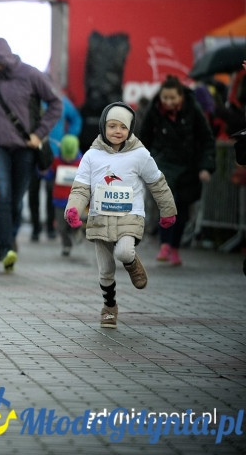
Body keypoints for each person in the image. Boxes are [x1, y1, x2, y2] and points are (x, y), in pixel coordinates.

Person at [65, 102, 178, 329]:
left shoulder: (140, 154)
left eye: (123, 127)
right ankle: (109, 307)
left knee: (124, 251)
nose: (118, 131)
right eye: (112, 126)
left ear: (131, 129)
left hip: (130, 216)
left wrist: (168, 210)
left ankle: (132, 261)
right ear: (103, 127)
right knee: (105, 269)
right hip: (99, 218)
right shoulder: (91, 156)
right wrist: (74, 208)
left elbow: (157, 183)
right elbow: (80, 188)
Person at [0, 37, 62, 272]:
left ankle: (9, 237)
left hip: (25, 146)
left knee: (16, 197)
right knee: (2, 194)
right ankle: (4, 249)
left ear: (4, 60)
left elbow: (56, 104)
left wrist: (40, 133)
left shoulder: (31, 75)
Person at [136, 75, 216, 266]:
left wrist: (206, 167)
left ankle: (175, 248)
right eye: (165, 98)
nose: (168, 102)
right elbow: (143, 137)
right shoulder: (154, 110)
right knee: (167, 202)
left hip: (189, 164)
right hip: (163, 162)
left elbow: (206, 139)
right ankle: (164, 243)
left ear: (181, 97)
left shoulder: (193, 109)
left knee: (182, 209)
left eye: (172, 98)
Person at [29, 92, 82, 242]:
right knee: (33, 191)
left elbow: (76, 119)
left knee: (52, 190)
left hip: (55, 153)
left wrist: (69, 137)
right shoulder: (32, 101)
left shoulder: (61, 101)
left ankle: (51, 227)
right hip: (34, 151)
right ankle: (35, 228)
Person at [47, 134, 84, 257]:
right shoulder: (56, 161)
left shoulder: (81, 162)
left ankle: (77, 231)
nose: (68, 160)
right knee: (61, 227)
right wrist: (41, 171)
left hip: (75, 200)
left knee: (73, 222)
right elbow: (49, 174)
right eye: (66, 157)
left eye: (70, 157)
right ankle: (66, 245)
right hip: (59, 200)